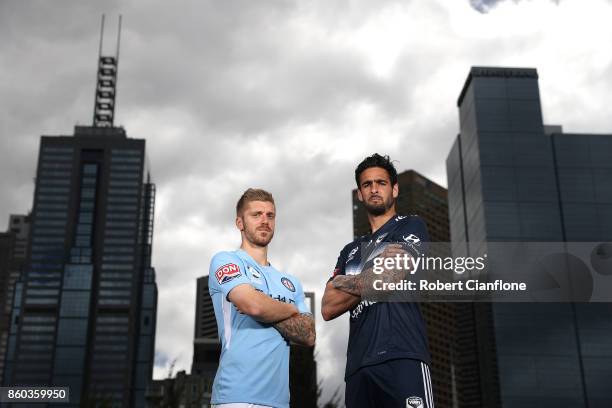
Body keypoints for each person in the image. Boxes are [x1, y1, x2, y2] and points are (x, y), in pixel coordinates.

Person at [321, 154, 434, 408]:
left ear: (394, 189)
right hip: (358, 368)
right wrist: (375, 271)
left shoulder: (410, 226)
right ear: (360, 194)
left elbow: (391, 275)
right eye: (367, 184)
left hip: (403, 357)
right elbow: (328, 307)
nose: (374, 189)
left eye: (381, 183)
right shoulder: (350, 250)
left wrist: (346, 282)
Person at [209, 188, 315, 408]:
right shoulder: (225, 260)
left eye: (270, 215)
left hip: (280, 402)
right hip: (235, 397)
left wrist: (265, 305)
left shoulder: (290, 282)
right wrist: (290, 310)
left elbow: (308, 334)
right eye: (256, 215)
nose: (264, 221)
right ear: (240, 223)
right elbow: (253, 305)